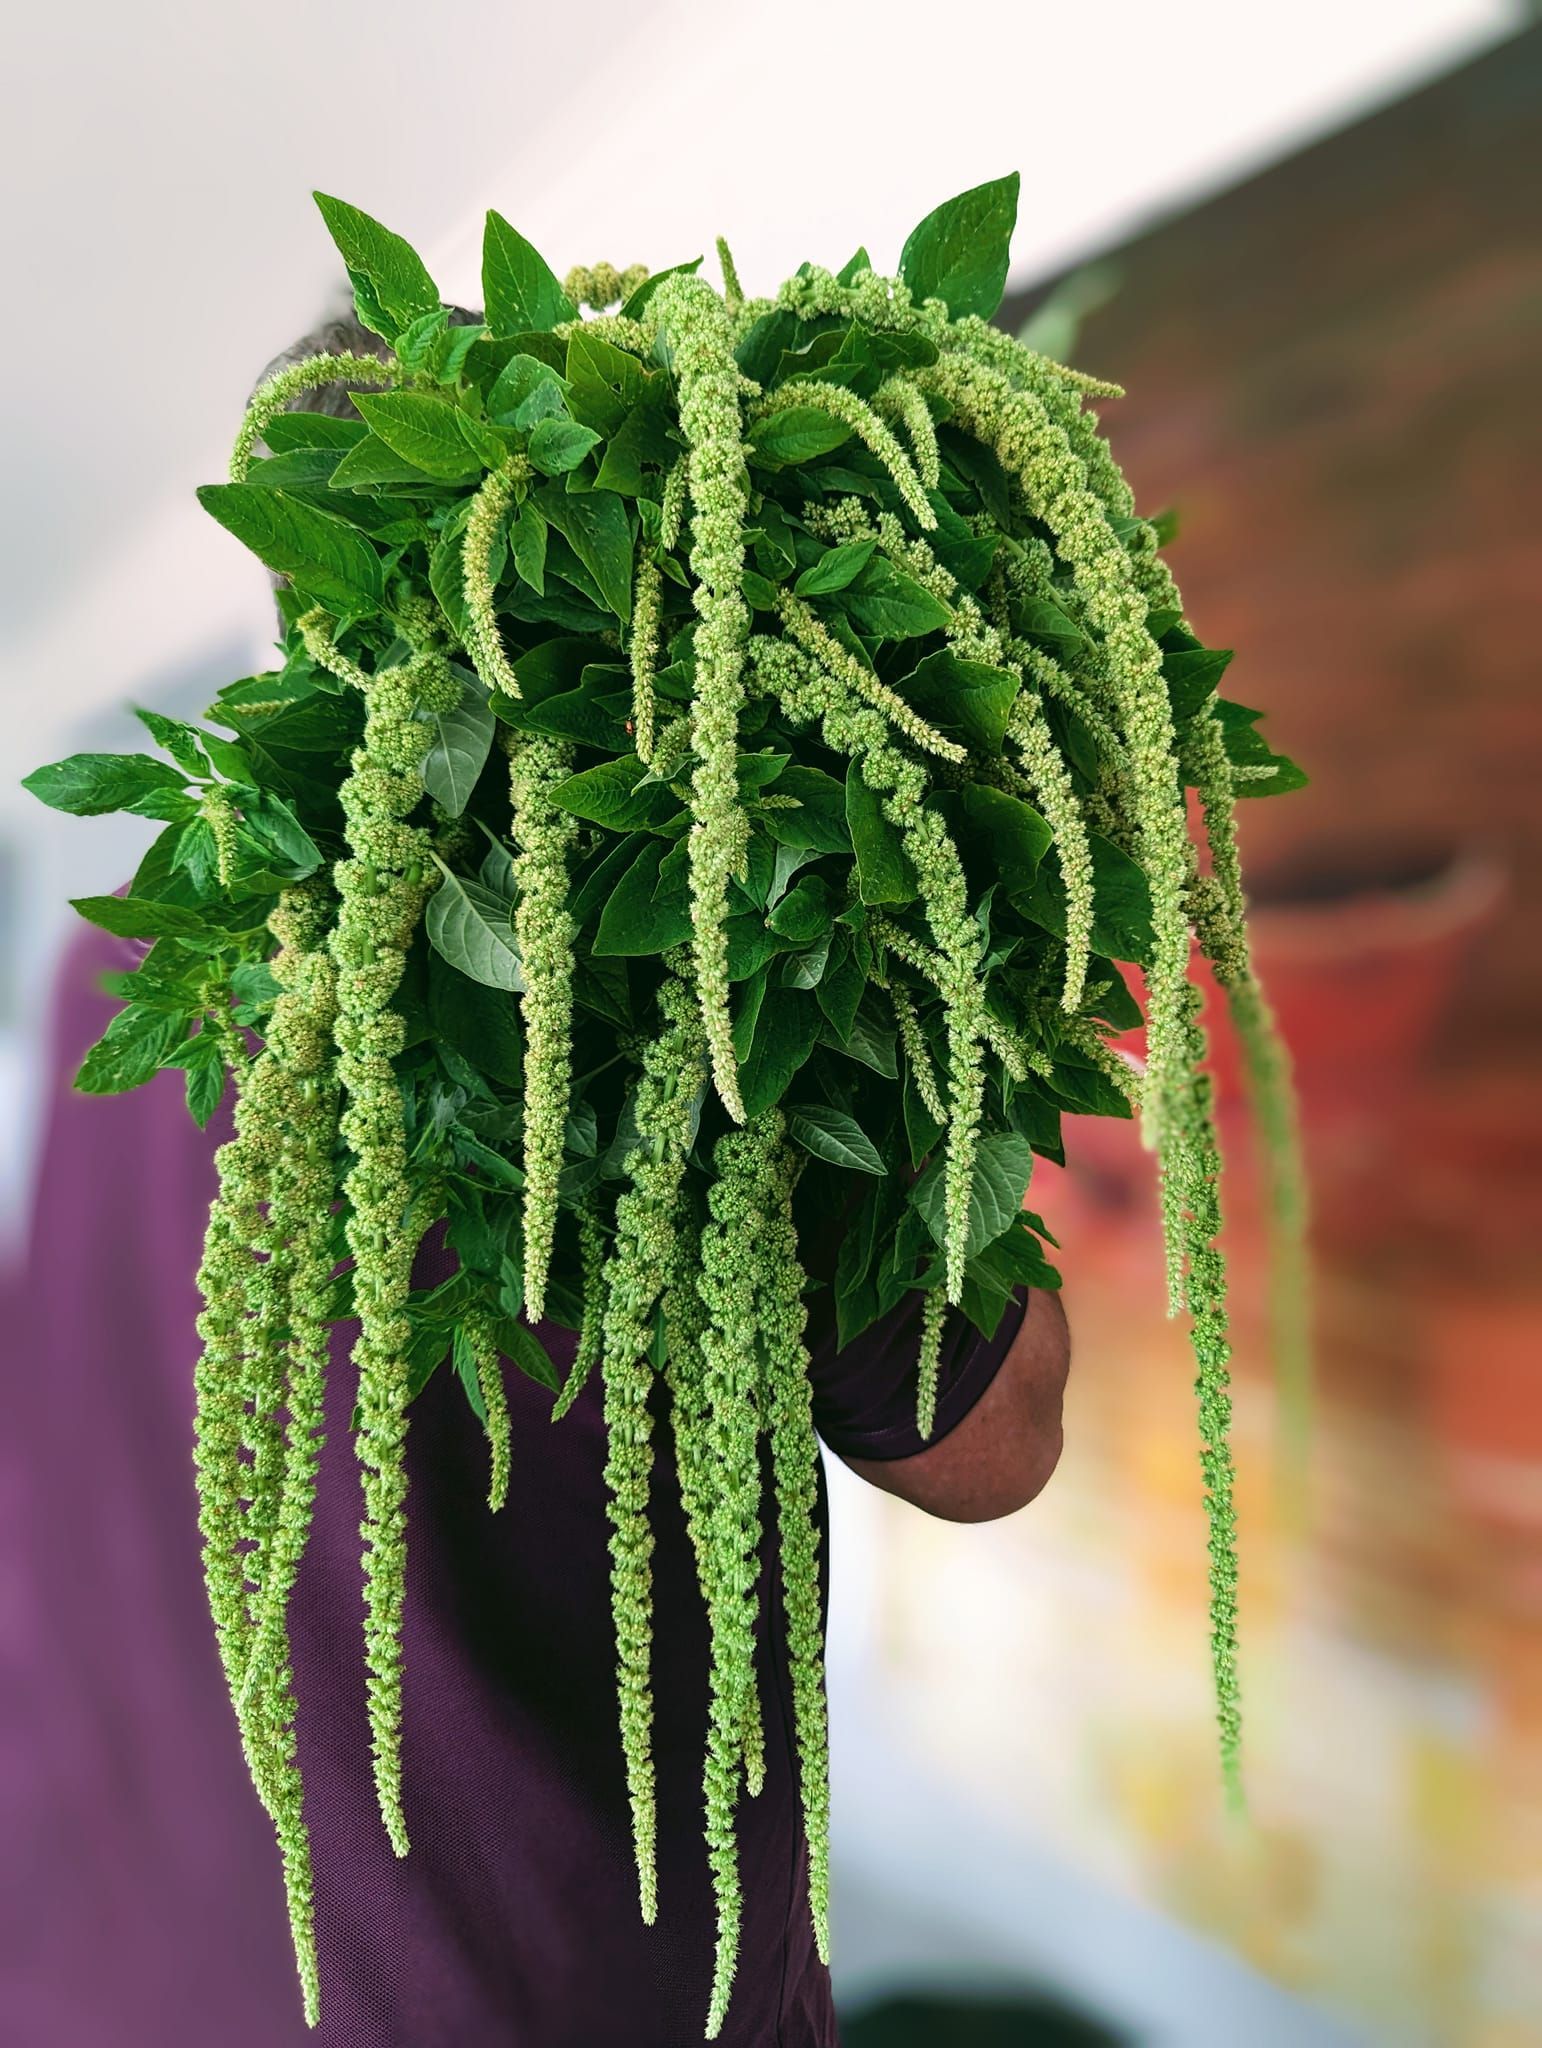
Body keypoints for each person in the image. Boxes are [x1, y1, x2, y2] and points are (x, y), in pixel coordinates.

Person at [2, 314, 1070, 2048]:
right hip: (504, 1995)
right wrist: (935, 1026)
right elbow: (988, 1443)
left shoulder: (130, 951)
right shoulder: (658, 976)